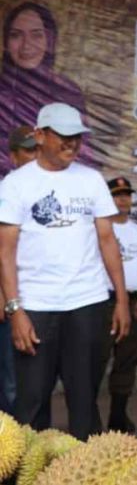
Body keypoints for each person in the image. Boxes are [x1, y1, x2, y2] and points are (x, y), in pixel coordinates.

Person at [0, 103, 130, 440]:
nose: (72, 144)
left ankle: (85, 473)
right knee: (30, 405)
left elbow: (107, 241)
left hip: (87, 304)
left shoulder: (91, 181)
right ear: (40, 136)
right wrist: (15, 310)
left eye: (77, 138)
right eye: (64, 137)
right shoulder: (15, 184)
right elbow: (5, 251)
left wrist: (120, 301)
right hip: (36, 308)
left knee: (85, 403)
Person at [1, 3, 88, 176]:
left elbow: (83, 152)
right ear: (6, 42)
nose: (27, 45)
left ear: (50, 40)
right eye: (16, 35)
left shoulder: (67, 92)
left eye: (37, 35)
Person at [95, 176, 137, 433]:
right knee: (94, 361)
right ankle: (89, 421)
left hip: (135, 301)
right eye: (117, 195)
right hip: (104, 302)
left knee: (127, 362)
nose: (123, 199)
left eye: (127, 194)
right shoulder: (100, 229)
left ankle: (118, 419)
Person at [0, 125, 38, 414]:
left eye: (37, 149)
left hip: (36, 301)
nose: (34, 156)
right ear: (13, 156)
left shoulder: (53, 187)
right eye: (27, 150)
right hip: (9, 301)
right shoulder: (8, 189)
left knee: (28, 382)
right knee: (11, 384)